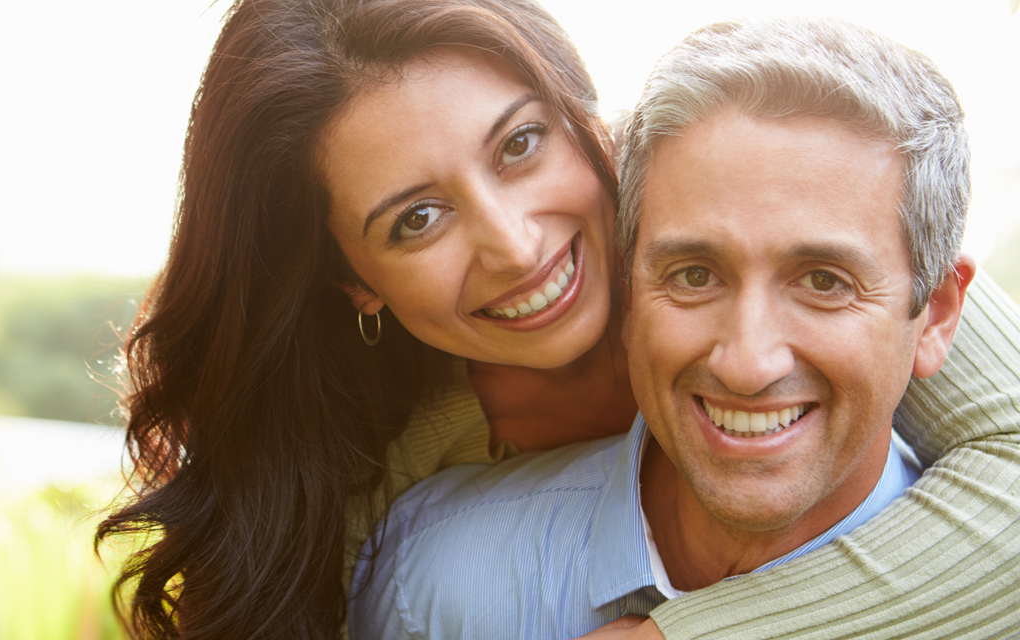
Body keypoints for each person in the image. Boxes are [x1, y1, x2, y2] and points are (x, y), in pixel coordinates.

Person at [95, 0, 1020, 638]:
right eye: (418, 219)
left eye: (520, 143)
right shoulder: (385, 494)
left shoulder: (757, 203)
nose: (515, 243)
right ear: (353, 282)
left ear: (587, 119)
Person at [349, 18, 986, 638]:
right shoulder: (428, 588)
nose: (747, 364)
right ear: (629, 295)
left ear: (936, 314)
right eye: (694, 275)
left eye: (823, 281)